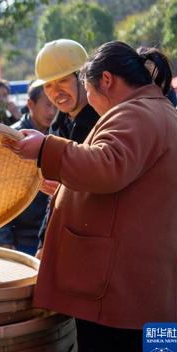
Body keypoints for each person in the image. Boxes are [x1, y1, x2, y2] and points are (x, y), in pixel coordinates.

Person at [7, 41, 177, 352]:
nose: (58, 93)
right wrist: (64, 185)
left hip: (115, 292)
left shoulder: (136, 113)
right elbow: (127, 185)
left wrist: (46, 148)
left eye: (81, 85)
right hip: (137, 284)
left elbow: (107, 165)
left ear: (105, 80)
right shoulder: (153, 109)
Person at [34, 39, 100, 260]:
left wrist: (67, 190)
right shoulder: (58, 125)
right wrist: (44, 243)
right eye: (48, 85)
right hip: (67, 237)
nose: (56, 92)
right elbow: (52, 200)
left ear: (83, 77)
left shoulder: (104, 121)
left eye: (62, 81)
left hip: (96, 243)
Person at [0, 80, 56, 254]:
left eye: (55, 105)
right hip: (18, 237)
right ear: (30, 104)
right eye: (47, 104)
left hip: (49, 234)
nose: (52, 111)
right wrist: (3, 240)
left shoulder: (58, 134)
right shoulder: (11, 139)